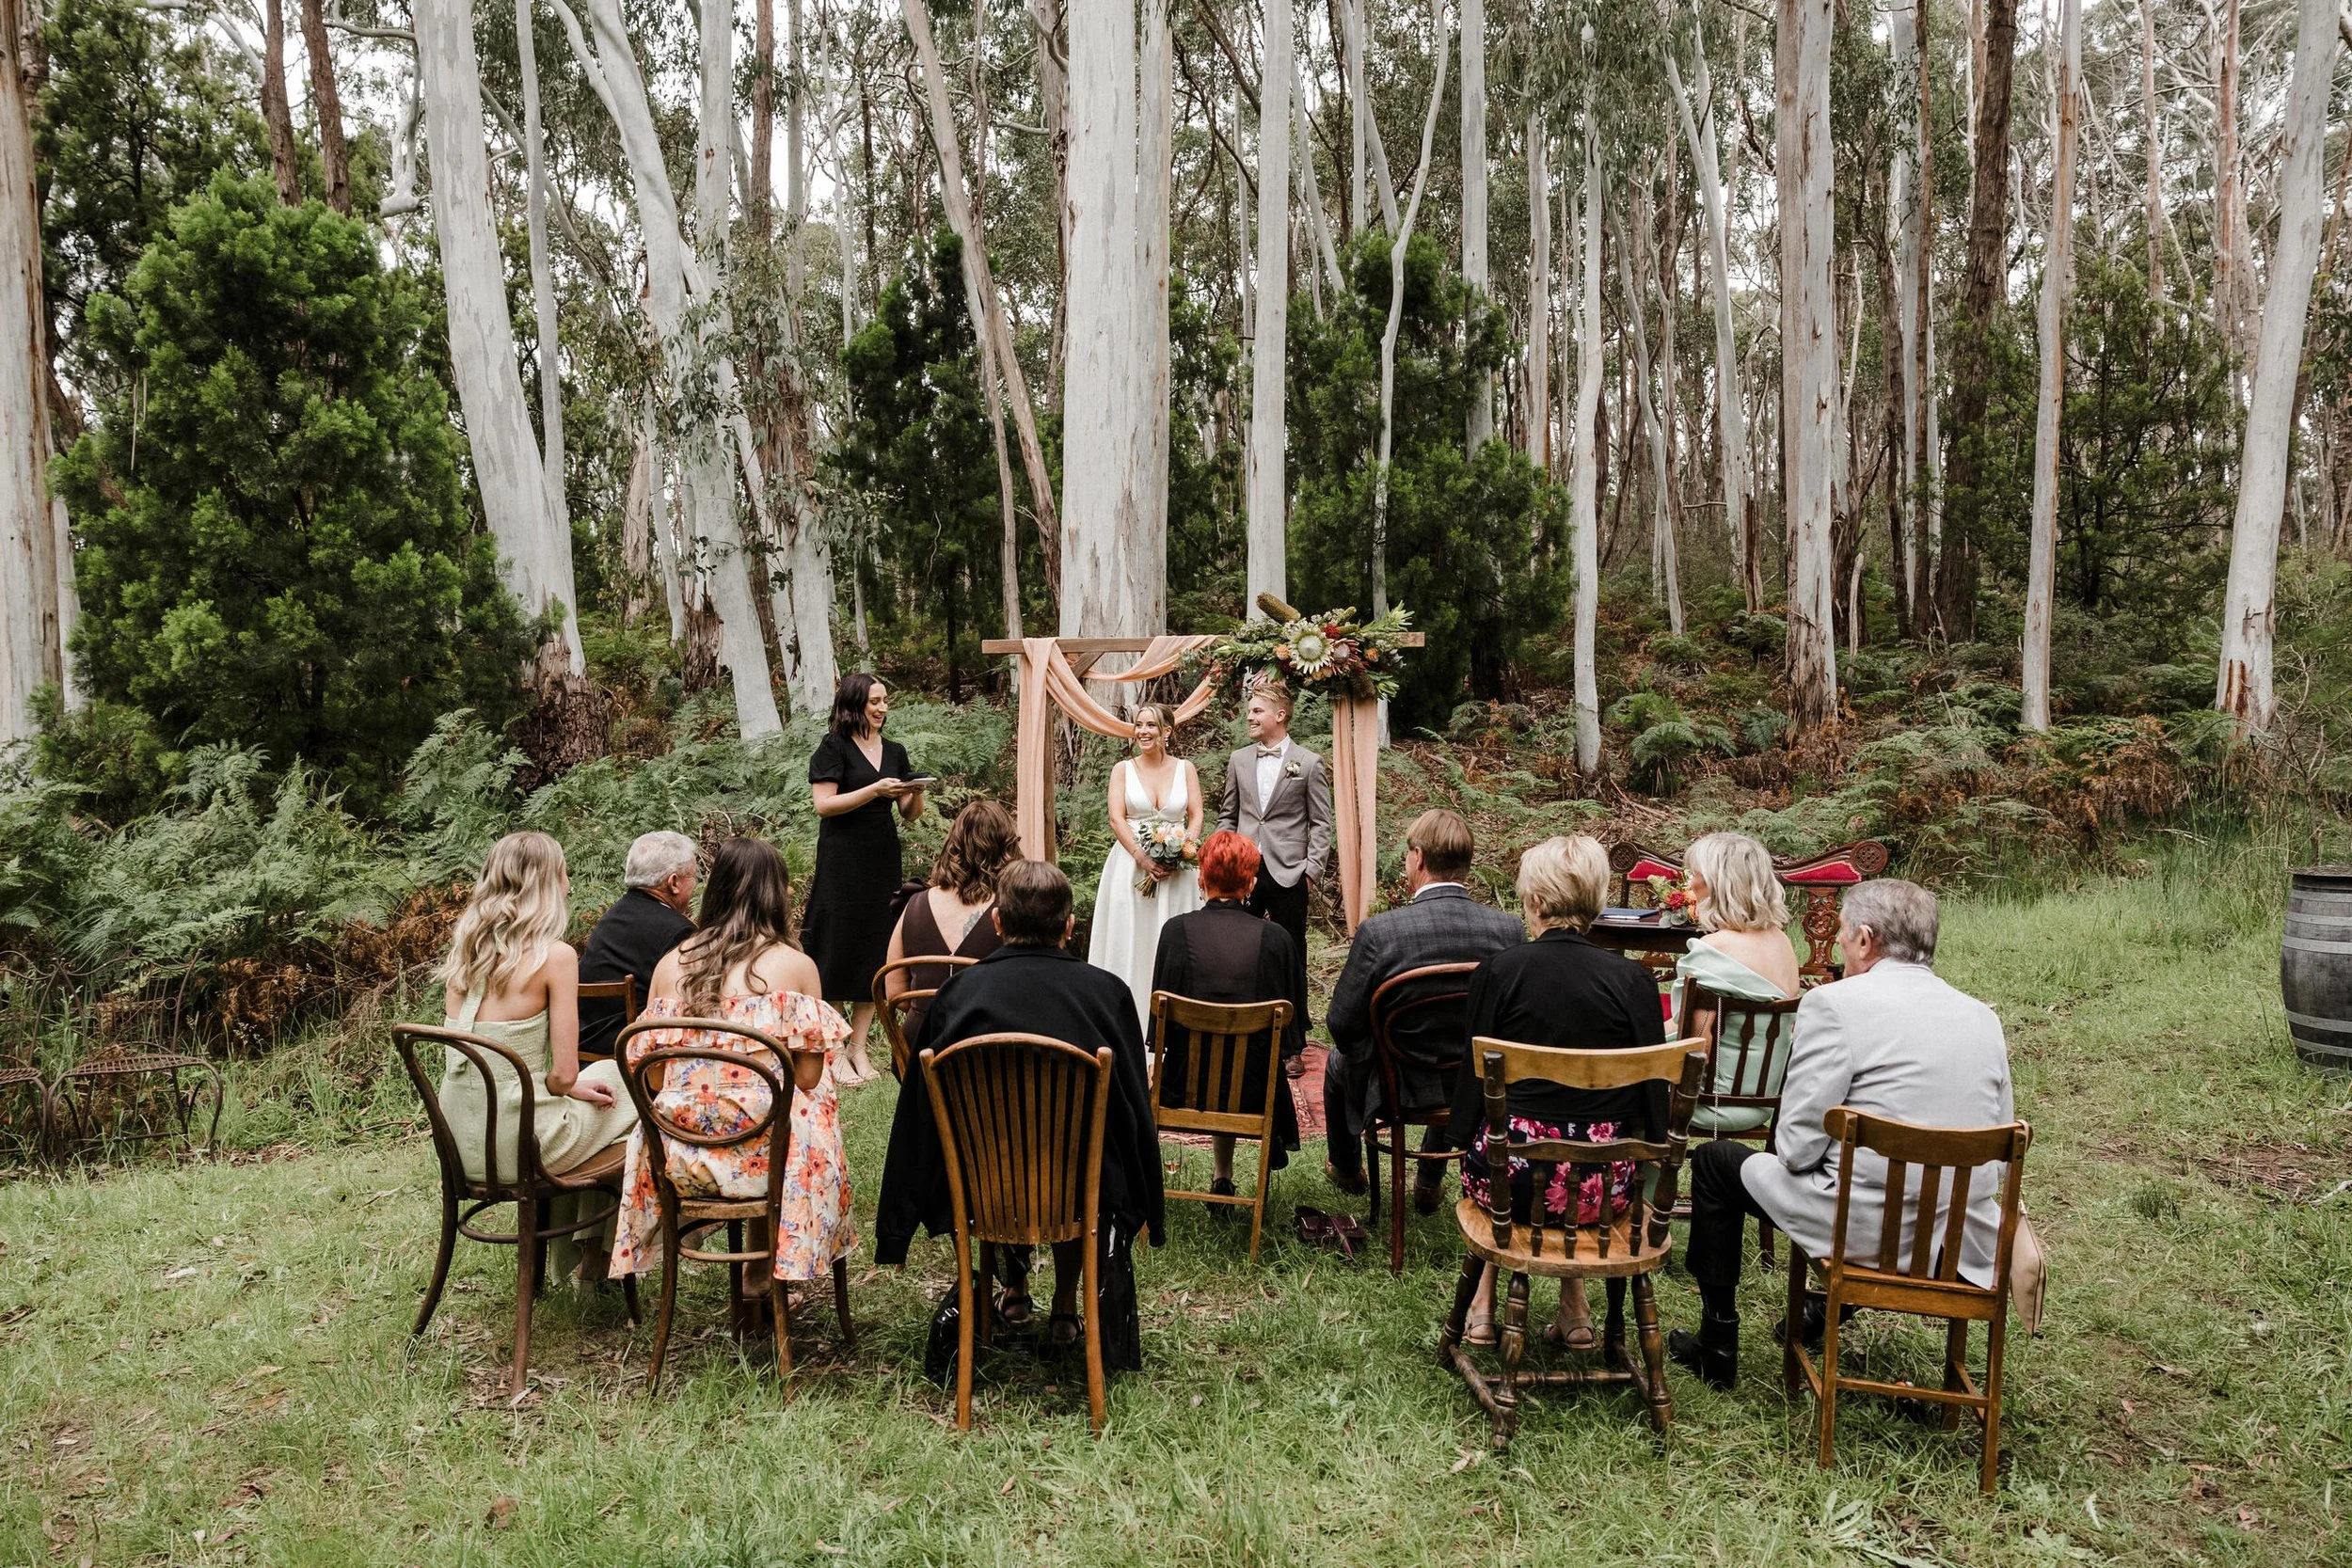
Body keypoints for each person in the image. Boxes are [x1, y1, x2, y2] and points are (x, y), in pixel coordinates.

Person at [1667, 879, 2014, 1390]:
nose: (1840, 949)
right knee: (1877, 1186)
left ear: (1867, 940)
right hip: (1954, 1234)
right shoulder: (1983, 1018)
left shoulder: (1835, 1005)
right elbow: (1999, 1153)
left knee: (1717, 1163)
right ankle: (1818, 1312)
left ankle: (1717, 1343)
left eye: (1844, 937)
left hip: (1864, 1227)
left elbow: (1796, 1147)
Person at [875, 862, 1164, 1363]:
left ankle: (1010, 1290)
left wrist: (897, 1227)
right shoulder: (1108, 994)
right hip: (1079, 1186)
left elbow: (917, 1114)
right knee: (1085, 1157)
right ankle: (1065, 1305)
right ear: (1070, 926)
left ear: (999, 924)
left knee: (994, 1151)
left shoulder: (957, 996)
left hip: (982, 1185)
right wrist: (1148, 1207)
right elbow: (1134, 1104)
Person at [608, 838, 855, 1291]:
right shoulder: (795, 967)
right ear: (776, 895)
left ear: (714, 890)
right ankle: (768, 1268)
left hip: (681, 1157)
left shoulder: (670, 966)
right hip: (772, 1160)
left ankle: (755, 1271)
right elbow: (807, 1076)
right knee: (800, 1103)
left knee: (749, 1104)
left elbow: (657, 1078)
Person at [1451, 834, 1668, 1349]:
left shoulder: (1499, 972)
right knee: (1576, 1152)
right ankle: (1574, 1307)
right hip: (1604, 1185)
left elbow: (1474, 1080)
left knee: (1491, 1149)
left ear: (1539, 902)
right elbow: (1652, 1098)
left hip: (1516, 1184)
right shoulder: (1634, 981)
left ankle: (1482, 1306)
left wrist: (1461, 1136)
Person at [436, 832, 637, 1280]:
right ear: (547, 884)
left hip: (464, 1143)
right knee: (634, 1085)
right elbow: (564, 1076)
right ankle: (600, 1261)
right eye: (564, 872)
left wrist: (570, 1087)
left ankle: (579, 1261)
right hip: (524, 1146)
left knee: (599, 1081)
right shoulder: (555, 957)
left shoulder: (463, 954)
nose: (569, 883)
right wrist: (571, 1086)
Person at [1321, 809, 1523, 1204]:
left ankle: (1346, 1168)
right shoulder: (1509, 930)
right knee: (1460, 1051)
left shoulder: (1380, 932)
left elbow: (1341, 1024)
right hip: (1477, 1081)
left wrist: (1378, 1038)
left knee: (1335, 1062)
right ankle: (1429, 1179)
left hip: (1398, 1083)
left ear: (1419, 858)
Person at [1149, 832, 1306, 1203]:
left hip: (1184, 1084)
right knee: (1247, 1061)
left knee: (1212, 1063)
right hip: (1255, 1091)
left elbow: (1160, 1032)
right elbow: (1292, 1038)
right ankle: (1226, 1176)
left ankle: (1221, 1175)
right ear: (1251, 883)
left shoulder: (1174, 933)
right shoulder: (1278, 940)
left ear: (1201, 880)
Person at [804, 673, 928, 1084]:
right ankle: (834, 1049)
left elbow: (909, 816)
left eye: (885, 701)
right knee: (839, 946)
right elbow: (824, 805)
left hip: (881, 857)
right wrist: (874, 790)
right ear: (854, 704)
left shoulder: (895, 751)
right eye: (875, 701)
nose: (882, 708)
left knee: (876, 946)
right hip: (842, 860)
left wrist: (916, 793)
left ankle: (858, 1048)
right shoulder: (833, 747)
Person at [1215, 680, 1331, 1035]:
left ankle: (1294, 1039)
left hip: (1289, 874)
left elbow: (1322, 822)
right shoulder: (1239, 759)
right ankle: (1241, 1026)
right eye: (1250, 711)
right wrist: (1224, 857)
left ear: (1280, 716)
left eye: (1256, 711)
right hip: (1242, 870)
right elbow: (1228, 815)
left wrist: (1311, 871)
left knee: (1291, 954)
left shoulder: (1309, 764)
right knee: (1237, 949)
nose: (1249, 716)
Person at [1670, 832, 1803, 1134]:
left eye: (1696, 875)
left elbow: (1696, 1046)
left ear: (1720, 883)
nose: (1689, 884)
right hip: (1763, 1101)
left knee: (1622, 1090)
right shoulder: (1782, 943)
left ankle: (1644, 1181)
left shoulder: (1713, 949)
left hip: (1709, 1103)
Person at [1087, 704, 1206, 1022]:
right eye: (1138, 725)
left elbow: (1195, 814)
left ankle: (1176, 1018)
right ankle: (1126, 1018)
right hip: (1130, 867)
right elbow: (1116, 818)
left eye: (1150, 725)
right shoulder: (1122, 769)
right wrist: (1142, 857)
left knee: (1173, 938)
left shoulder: (1186, 768)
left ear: (1167, 731)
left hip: (1177, 872)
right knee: (1132, 938)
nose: (1142, 731)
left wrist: (1184, 849)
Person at [882, 800, 1021, 1047]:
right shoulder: (1013, 908)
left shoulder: (914, 903)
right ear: (1006, 847)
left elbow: (896, 995)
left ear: (953, 844)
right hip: (989, 1050)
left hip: (920, 1051)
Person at [577, 831, 699, 1058]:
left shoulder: (611, 918)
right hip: (631, 1056)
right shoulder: (679, 931)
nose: (694, 886)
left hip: (584, 1047)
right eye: (692, 877)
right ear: (673, 882)